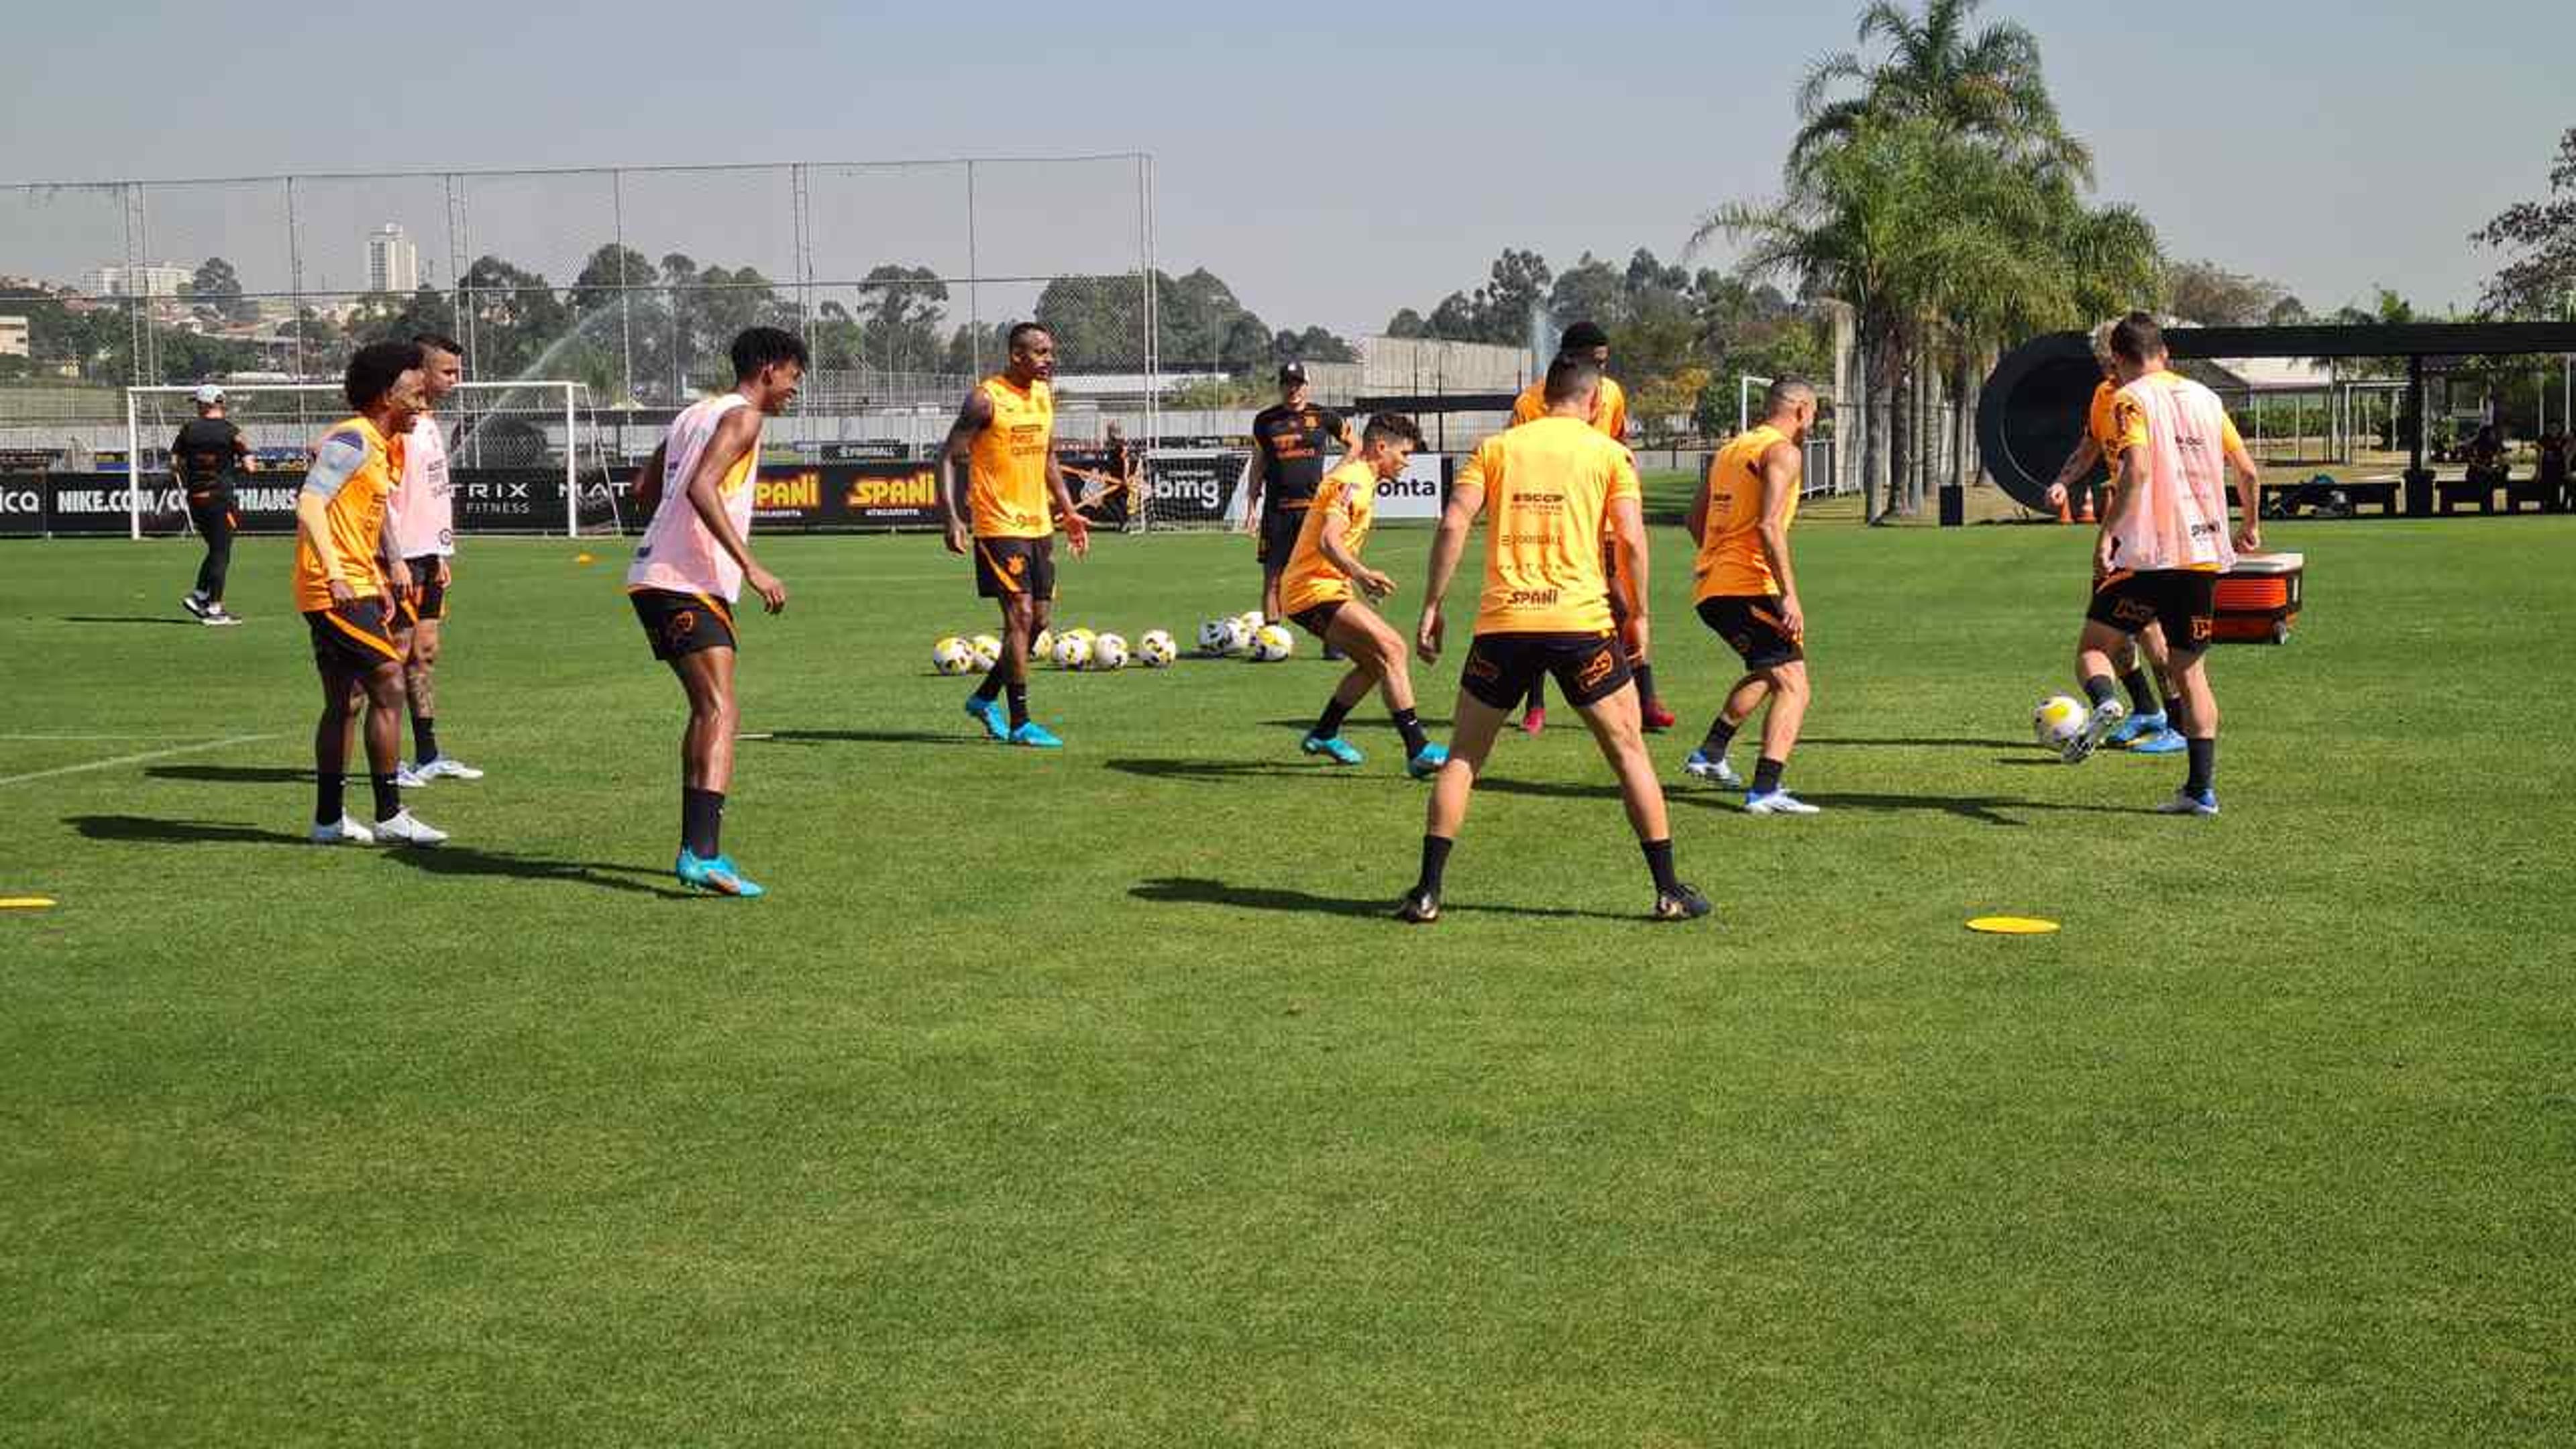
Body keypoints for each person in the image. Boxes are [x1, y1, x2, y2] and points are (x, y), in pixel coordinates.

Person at [1397, 355, 1710, 924]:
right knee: (1628, 754)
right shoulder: (1610, 454)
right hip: (1581, 626)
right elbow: (1633, 542)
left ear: (1543, 398)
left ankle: (1427, 892)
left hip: (1504, 626)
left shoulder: (1496, 449)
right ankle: (1669, 891)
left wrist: (1432, 606)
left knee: (1464, 758)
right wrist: (1637, 615)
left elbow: (1452, 523)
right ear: (1595, 402)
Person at [625, 326, 803, 896]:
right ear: (769, 369)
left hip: (658, 574)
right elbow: (701, 487)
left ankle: (697, 850)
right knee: (722, 710)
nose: (795, 391)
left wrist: (664, 534)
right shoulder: (745, 418)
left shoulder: (693, 414)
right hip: (687, 580)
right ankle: (703, 854)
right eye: (795, 378)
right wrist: (753, 566)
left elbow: (645, 488)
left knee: (709, 710)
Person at [2067, 312, 2263, 815]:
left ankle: (2107, 701)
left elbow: (2139, 468)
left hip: (2150, 554)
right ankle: (2200, 791)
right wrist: (2250, 527)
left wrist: (2110, 531)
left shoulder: (2131, 399)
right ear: (2166, 353)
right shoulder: (2207, 398)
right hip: (2202, 557)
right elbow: (2247, 470)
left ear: (2118, 358)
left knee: (2094, 648)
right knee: (2192, 672)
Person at [292, 341, 446, 847]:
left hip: (357, 583)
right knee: (388, 682)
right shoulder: (354, 441)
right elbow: (311, 504)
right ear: (386, 396)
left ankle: (328, 820)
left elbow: (361, 516)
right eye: (415, 396)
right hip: (333, 588)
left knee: (346, 701)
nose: (423, 407)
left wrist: (384, 570)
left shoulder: (380, 446)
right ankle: (390, 812)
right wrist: (337, 573)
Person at [1506, 322, 1675, 735]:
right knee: (1540, 606)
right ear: (1571, 358)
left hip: (1603, 524)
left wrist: (1628, 481)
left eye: (1605, 360)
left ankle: (1646, 698)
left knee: (1624, 604)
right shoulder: (1530, 403)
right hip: (1555, 525)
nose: (1603, 367)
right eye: (1596, 361)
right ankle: (1536, 704)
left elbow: (1619, 442)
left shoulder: (1613, 393)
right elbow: (1521, 460)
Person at [941, 322, 1091, 748]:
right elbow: (948, 457)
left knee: (1040, 621)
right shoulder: (986, 400)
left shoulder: (1043, 395)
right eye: (1041, 352)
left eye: (1051, 351)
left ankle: (984, 697)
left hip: (1039, 523)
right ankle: (1021, 721)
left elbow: (1048, 458)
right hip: (997, 525)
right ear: (1016, 356)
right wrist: (951, 516)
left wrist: (1068, 511)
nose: (1049, 359)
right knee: (1020, 617)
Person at [1275, 412, 1449, 777]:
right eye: (1404, 455)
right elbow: (1328, 540)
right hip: (1311, 591)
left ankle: (1324, 732)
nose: (1406, 464)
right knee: (1394, 648)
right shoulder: (1353, 479)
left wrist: (1354, 578)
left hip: (1322, 588)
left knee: (1375, 663)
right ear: (1381, 447)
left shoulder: (1361, 480)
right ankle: (1418, 749)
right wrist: (1363, 574)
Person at [1681, 376, 1822, 814]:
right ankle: (1765, 789)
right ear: (1800, 410)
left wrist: (1719, 559)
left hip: (1714, 588)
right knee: (1796, 687)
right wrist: (1789, 595)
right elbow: (1768, 526)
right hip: (1748, 587)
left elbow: (1693, 520)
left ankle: (1710, 754)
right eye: (1814, 413)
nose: (1812, 423)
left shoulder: (1730, 450)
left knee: (1769, 671)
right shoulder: (1783, 452)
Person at [2043, 321, 2184, 755]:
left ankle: (2176, 725)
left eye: (2111, 358)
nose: (2108, 367)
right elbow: (2089, 447)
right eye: (2102, 360)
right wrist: (2064, 481)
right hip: (2124, 528)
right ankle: (2146, 710)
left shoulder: (2158, 397)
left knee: (2150, 630)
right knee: (2120, 629)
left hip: (2154, 531)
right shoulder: (2106, 396)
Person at [387, 333, 483, 788]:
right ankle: (387, 761)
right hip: (399, 558)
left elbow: (431, 492)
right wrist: (393, 557)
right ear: (420, 371)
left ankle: (428, 755)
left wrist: (441, 550)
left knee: (424, 654)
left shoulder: (427, 423)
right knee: (393, 656)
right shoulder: (394, 424)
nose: (455, 380)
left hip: (429, 555)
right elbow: (382, 494)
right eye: (448, 371)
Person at [1240, 361, 1354, 627]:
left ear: (1306, 386)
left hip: (1315, 511)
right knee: (1273, 577)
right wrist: (1251, 508)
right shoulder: (1265, 421)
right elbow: (1258, 466)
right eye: (1287, 383)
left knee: (1327, 574)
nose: (1292, 389)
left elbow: (1356, 446)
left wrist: (1334, 476)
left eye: (1297, 383)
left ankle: (1335, 640)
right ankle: (1272, 637)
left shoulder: (1325, 417)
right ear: (1280, 386)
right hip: (1277, 511)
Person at [174, 384, 250, 626]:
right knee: (221, 553)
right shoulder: (231, 431)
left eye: (197, 403)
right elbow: (250, 465)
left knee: (216, 550)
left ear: (204, 405)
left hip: (196, 499)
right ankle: (214, 609)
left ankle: (199, 596)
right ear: (219, 403)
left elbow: (175, 463)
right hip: (220, 499)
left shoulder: (188, 430)